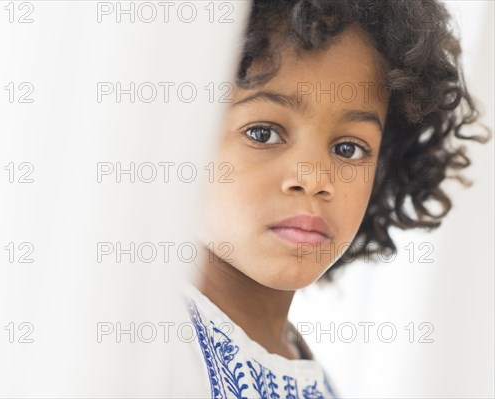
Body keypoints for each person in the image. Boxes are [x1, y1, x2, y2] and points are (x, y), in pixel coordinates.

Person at [179, 1, 491, 398]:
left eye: (348, 149)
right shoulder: (144, 343)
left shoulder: (317, 380)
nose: (314, 179)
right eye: (263, 133)